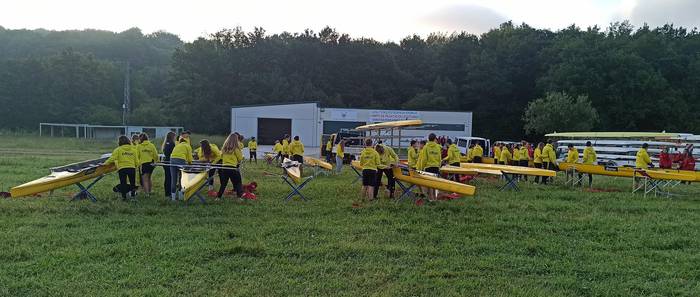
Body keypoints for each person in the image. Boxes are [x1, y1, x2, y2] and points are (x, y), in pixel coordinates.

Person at [105, 135, 139, 200]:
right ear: (128, 141)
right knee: (132, 183)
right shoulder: (133, 150)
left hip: (122, 169)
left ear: (119, 142)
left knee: (123, 183)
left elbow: (112, 158)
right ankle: (133, 196)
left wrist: (105, 163)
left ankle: (124, 197)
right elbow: (137, 161)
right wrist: (136, 167)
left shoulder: (118, 149)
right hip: (132, 168)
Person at [217, 133, 245, 199]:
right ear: (236, 140)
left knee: (223, 184)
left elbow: (220, 156)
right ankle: (239, 197)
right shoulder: (236, 148)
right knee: (238, 182)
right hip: (232, 168)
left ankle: (218, 197)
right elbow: (240, 158)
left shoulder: (224, 148)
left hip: (224, 168)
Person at [417, 133, 442, 201]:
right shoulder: (438, 147)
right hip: (436, 167)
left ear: (428, 139)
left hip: (428, 167)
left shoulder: (426, 147)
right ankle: (435, 198)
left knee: (429, 183)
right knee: (435, 183)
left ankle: (431, 198)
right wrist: (439, 166)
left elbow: (424, 159)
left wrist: (422, 168)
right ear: (434, 139)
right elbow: (440, 158)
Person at [359, 139, 380, 203]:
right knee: (371, 185)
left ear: (365, 144)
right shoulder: (375, 152)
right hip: (372, 170)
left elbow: (361, 163)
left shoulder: (363, 152)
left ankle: (362, 199)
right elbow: (378, 163)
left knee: (364, 185)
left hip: (365, 170)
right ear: (372, 144)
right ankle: (370, 200)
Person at [161, 131, 176, 198]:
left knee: (167, 178)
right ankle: (169, 193)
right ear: (172, 137)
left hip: (165, 162)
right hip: (170, 162)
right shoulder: (172, 144)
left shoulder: (165, 143)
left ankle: (167, 193)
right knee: (170, 178)